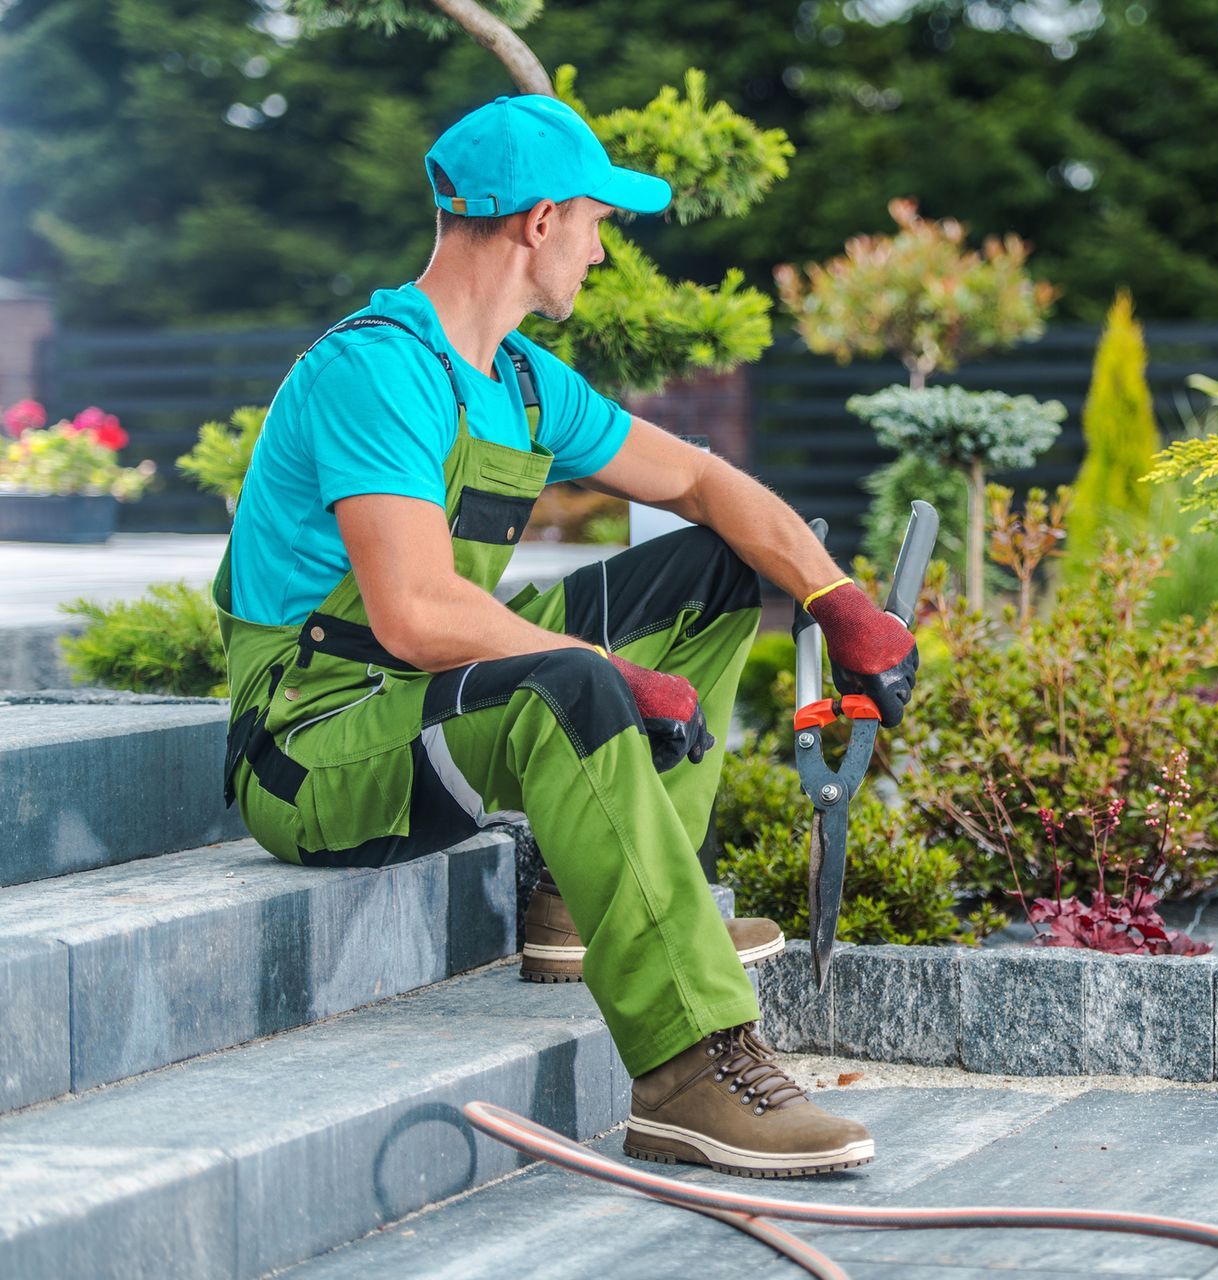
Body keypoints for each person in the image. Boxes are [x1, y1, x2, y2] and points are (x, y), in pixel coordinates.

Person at [214, 94, 918, 1178]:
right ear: (539, 221)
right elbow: (412, 611)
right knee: (569, 687)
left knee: (715, 568)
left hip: (419, 691)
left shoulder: (527, 386)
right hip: (316, 742)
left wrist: (835, 596)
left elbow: (699, 479)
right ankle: (691, 1068)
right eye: (595, 219)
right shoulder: (376, 370)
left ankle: (593, 902)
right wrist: (603, 668)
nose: (601, 246)